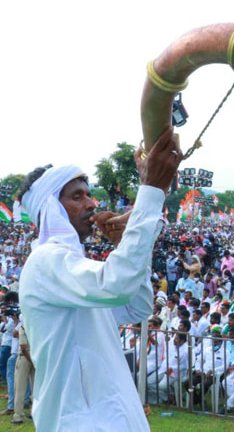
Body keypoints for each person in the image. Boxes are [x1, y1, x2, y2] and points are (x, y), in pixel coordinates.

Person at [18, 129, 181, 431]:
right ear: (51, 208)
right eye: (77, 196)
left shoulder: (69, 269)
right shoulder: (45, 263)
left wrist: (125, 246)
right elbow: (115, 285)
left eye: (88, 194)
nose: (92, 204)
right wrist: (151, 191)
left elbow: (138, 308)